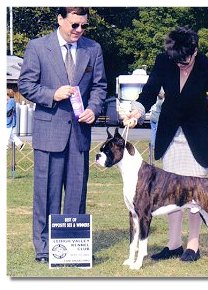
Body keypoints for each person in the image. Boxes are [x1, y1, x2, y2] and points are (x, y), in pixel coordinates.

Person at [123, 26, 208, 262]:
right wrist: (135, 113)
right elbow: (148, 93)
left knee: (194, 194)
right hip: (170, 136)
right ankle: (173, 244)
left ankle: (193, 244)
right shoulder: (163, 61)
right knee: (170, 192)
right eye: (177, 61)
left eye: (186, 60)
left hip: (198, 139)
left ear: (195, 50)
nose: (181, 64)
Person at [18, 7, 107, 263]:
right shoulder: (37, 47)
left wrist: (93, 108)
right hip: (49, 131)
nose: (79, 30)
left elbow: (100, 87)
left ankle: (71, 246)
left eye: (83, 26)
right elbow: (25, 84)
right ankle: (44, 248)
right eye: (74, 25)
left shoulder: (93, 49)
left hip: (79, 134)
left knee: (77, 193)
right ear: (60, 19)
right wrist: (51, 95)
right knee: (46, 192)